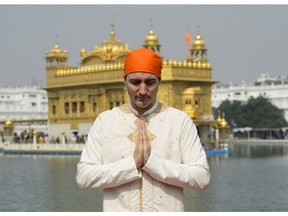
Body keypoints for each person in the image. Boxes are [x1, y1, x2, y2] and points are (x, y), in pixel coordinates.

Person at [76, 48, 210, 212]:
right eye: (135, 82)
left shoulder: (179, 121)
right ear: (125, 81)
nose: (142, 90)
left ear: (159, 82)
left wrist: (152, 164)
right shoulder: (106, 122)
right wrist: (131, 164)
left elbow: (201, 178)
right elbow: (83, 177)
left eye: (150, 82)